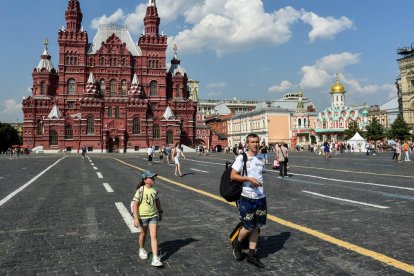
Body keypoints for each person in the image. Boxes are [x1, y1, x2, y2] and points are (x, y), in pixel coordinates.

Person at [230, 133, 266, 268]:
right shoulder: (242, 157)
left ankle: (251, 255)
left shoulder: (261, 157)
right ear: (247, 144)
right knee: (248, 226)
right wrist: (248, 179)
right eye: (252, 142)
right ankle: (237, 246)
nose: (255, 144)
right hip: (246, 197)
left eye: (257, 142)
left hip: (261, 197)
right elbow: (233, 176)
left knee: (257, 227)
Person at [132, 170, 163, 267]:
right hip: (143, 217)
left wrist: (160, 211)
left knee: (154, 236)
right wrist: (136, 218)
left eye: (153, 177)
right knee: (143, 234)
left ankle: (155, 257)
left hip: (153, 216)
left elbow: (157, 202)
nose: (153, 179)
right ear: (145, 180)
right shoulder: (140, 190)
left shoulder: (154, 190)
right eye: (151, 177)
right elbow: (135, 205)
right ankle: (141, 248)